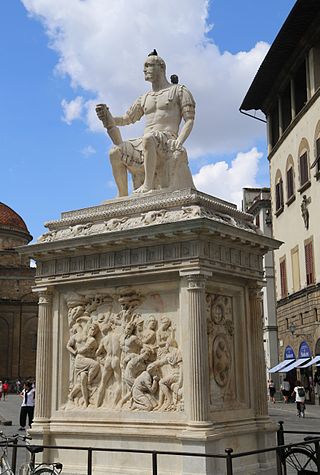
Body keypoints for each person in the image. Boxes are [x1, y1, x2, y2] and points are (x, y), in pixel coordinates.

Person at [96, 49, 195, 196]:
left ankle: (148, 185)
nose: (144, 70)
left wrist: (179, 140)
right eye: (144, 66)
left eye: (148, 65)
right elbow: (126, 119)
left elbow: (190, 119)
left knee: (149, 137)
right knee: (115, 152)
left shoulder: (179, 91)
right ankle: (122, 194)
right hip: (146, 143)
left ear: (161, 67)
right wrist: (107, 117)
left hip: (167, 139)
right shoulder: (144, 98)